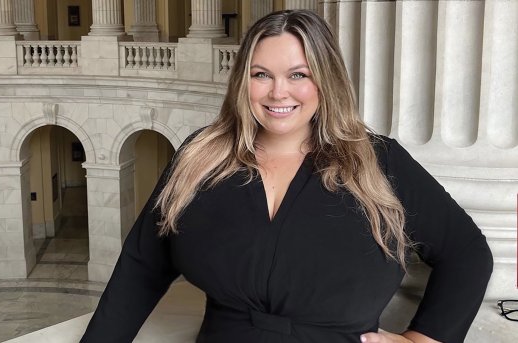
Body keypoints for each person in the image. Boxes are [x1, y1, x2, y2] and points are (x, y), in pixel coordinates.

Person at [81, 10, 493, 343]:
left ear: (325, 80)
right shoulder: (200, 157)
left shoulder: (379, 161)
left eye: (298, 74)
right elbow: (141, 266)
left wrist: (425, 338)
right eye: (261, 74)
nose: (279, 93)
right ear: (243, 81)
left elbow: (467, 251)